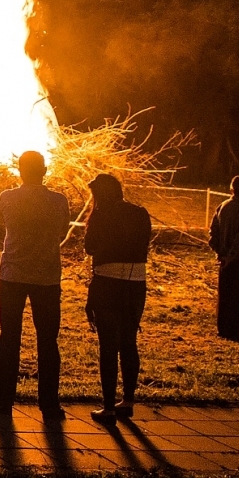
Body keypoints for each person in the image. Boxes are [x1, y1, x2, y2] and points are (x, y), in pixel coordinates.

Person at [0, 150, 72, 419]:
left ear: (19, 171)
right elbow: (62, 229)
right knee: (48, 340)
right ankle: (49, 403)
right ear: (44, 171)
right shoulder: (58, 201)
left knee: (9, 337)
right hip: (47, 277)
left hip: (12, 274)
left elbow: (1, 222)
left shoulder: (7, 198)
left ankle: (4, 398)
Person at [82, 173, 153, 424]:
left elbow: (89, 247)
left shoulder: (101, 214)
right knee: (129, 342)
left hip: (107, 281)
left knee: (108, 345)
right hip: (136, 282)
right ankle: (129, 400)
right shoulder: (140, 213)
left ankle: (109, 406)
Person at [209, 174, 239, 340]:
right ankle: (233, 329)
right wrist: (231, 254)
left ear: (232, 188)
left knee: (225, 294)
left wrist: (219, 251)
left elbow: (213, 231)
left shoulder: (222, 206)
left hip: (224, 259)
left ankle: (222, 328)